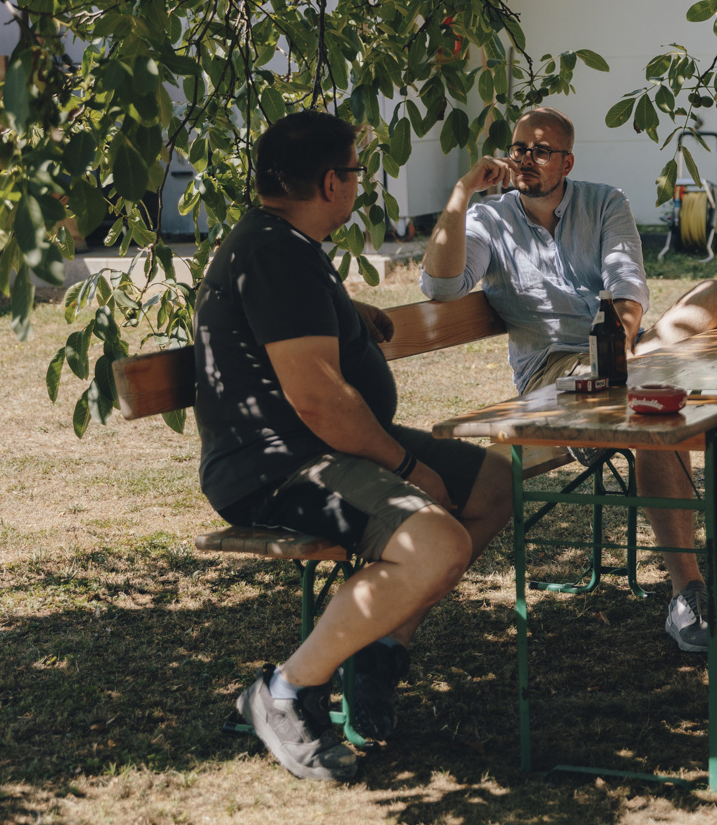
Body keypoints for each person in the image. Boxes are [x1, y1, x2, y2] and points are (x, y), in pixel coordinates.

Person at [194, 111, 514, 783]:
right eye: (358, 172)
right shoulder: (275, 252)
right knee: (438, 541)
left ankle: (378, 646)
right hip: (281, 466)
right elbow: (317, 399)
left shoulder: (287, 243)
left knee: (492, 483)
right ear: (333, 181)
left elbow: (299, 323)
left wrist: (351, 312)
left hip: (320, 447)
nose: (359, 185)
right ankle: (283, 692)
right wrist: (406, 466)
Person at [420, 105, 717, 654]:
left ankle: (634, 376)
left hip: (617, 350)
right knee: (654, 407)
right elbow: (441, 288)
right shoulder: (488, 219)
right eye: (519, 148)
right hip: (551, 377)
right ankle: (689, 592)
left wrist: (616, 350)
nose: (525, 160)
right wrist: (460, 194)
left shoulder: (605, 201)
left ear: (566, 161)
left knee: (715, 297)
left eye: (540, 151)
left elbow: (626, 283)